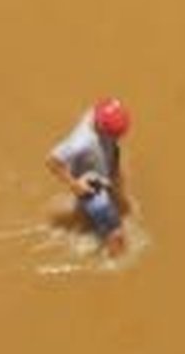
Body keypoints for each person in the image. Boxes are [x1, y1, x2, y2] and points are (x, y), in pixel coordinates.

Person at [46, 98, 132, 254]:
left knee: (116, 204)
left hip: (102, 168)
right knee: (116, 234)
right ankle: (114, 265)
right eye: (115, 134)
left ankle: (86, 218)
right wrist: (75, 185)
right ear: (102, 128)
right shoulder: (81, 142)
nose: (119, 137)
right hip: (92, 187)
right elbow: (52, 161)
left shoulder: (98, 112)